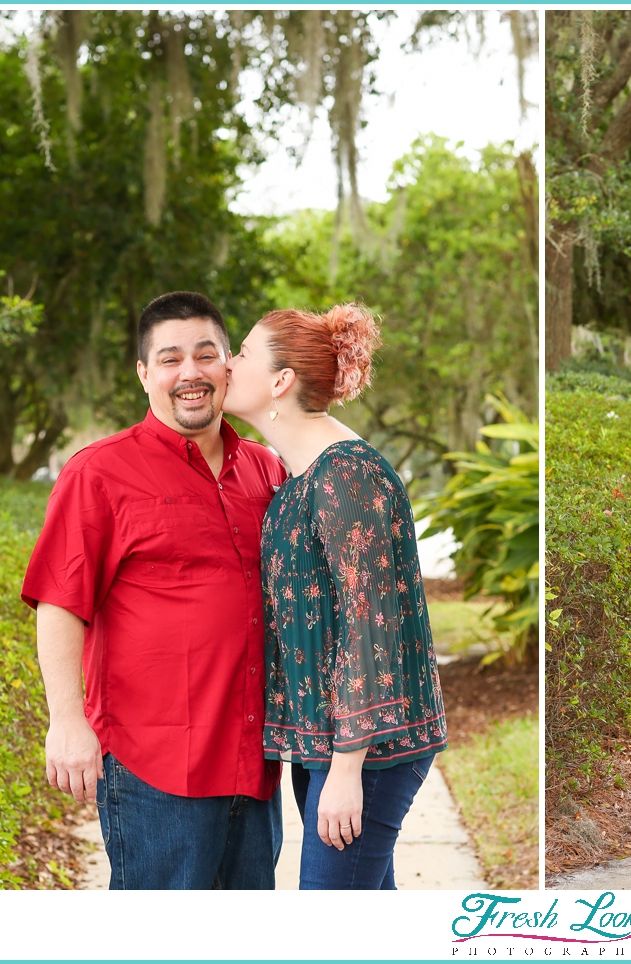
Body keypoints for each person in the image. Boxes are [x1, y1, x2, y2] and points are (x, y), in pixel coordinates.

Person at [22, 291, 285, 889]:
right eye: (169, 359)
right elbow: (60, 603)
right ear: (144, 375)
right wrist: (66, 719)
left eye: (205, 354)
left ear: (228, 366)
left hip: (254, 763)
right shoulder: (99, 473)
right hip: (154, 769)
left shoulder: (266, 471)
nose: (189, 373)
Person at [223, 304, 447, 889]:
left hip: (366, 750)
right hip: (327, 743)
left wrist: (347, 769)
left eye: (242, 353)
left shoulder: (348, 474)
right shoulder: (302, 476)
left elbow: (369, 624)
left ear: (280, 381)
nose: (228, 362)